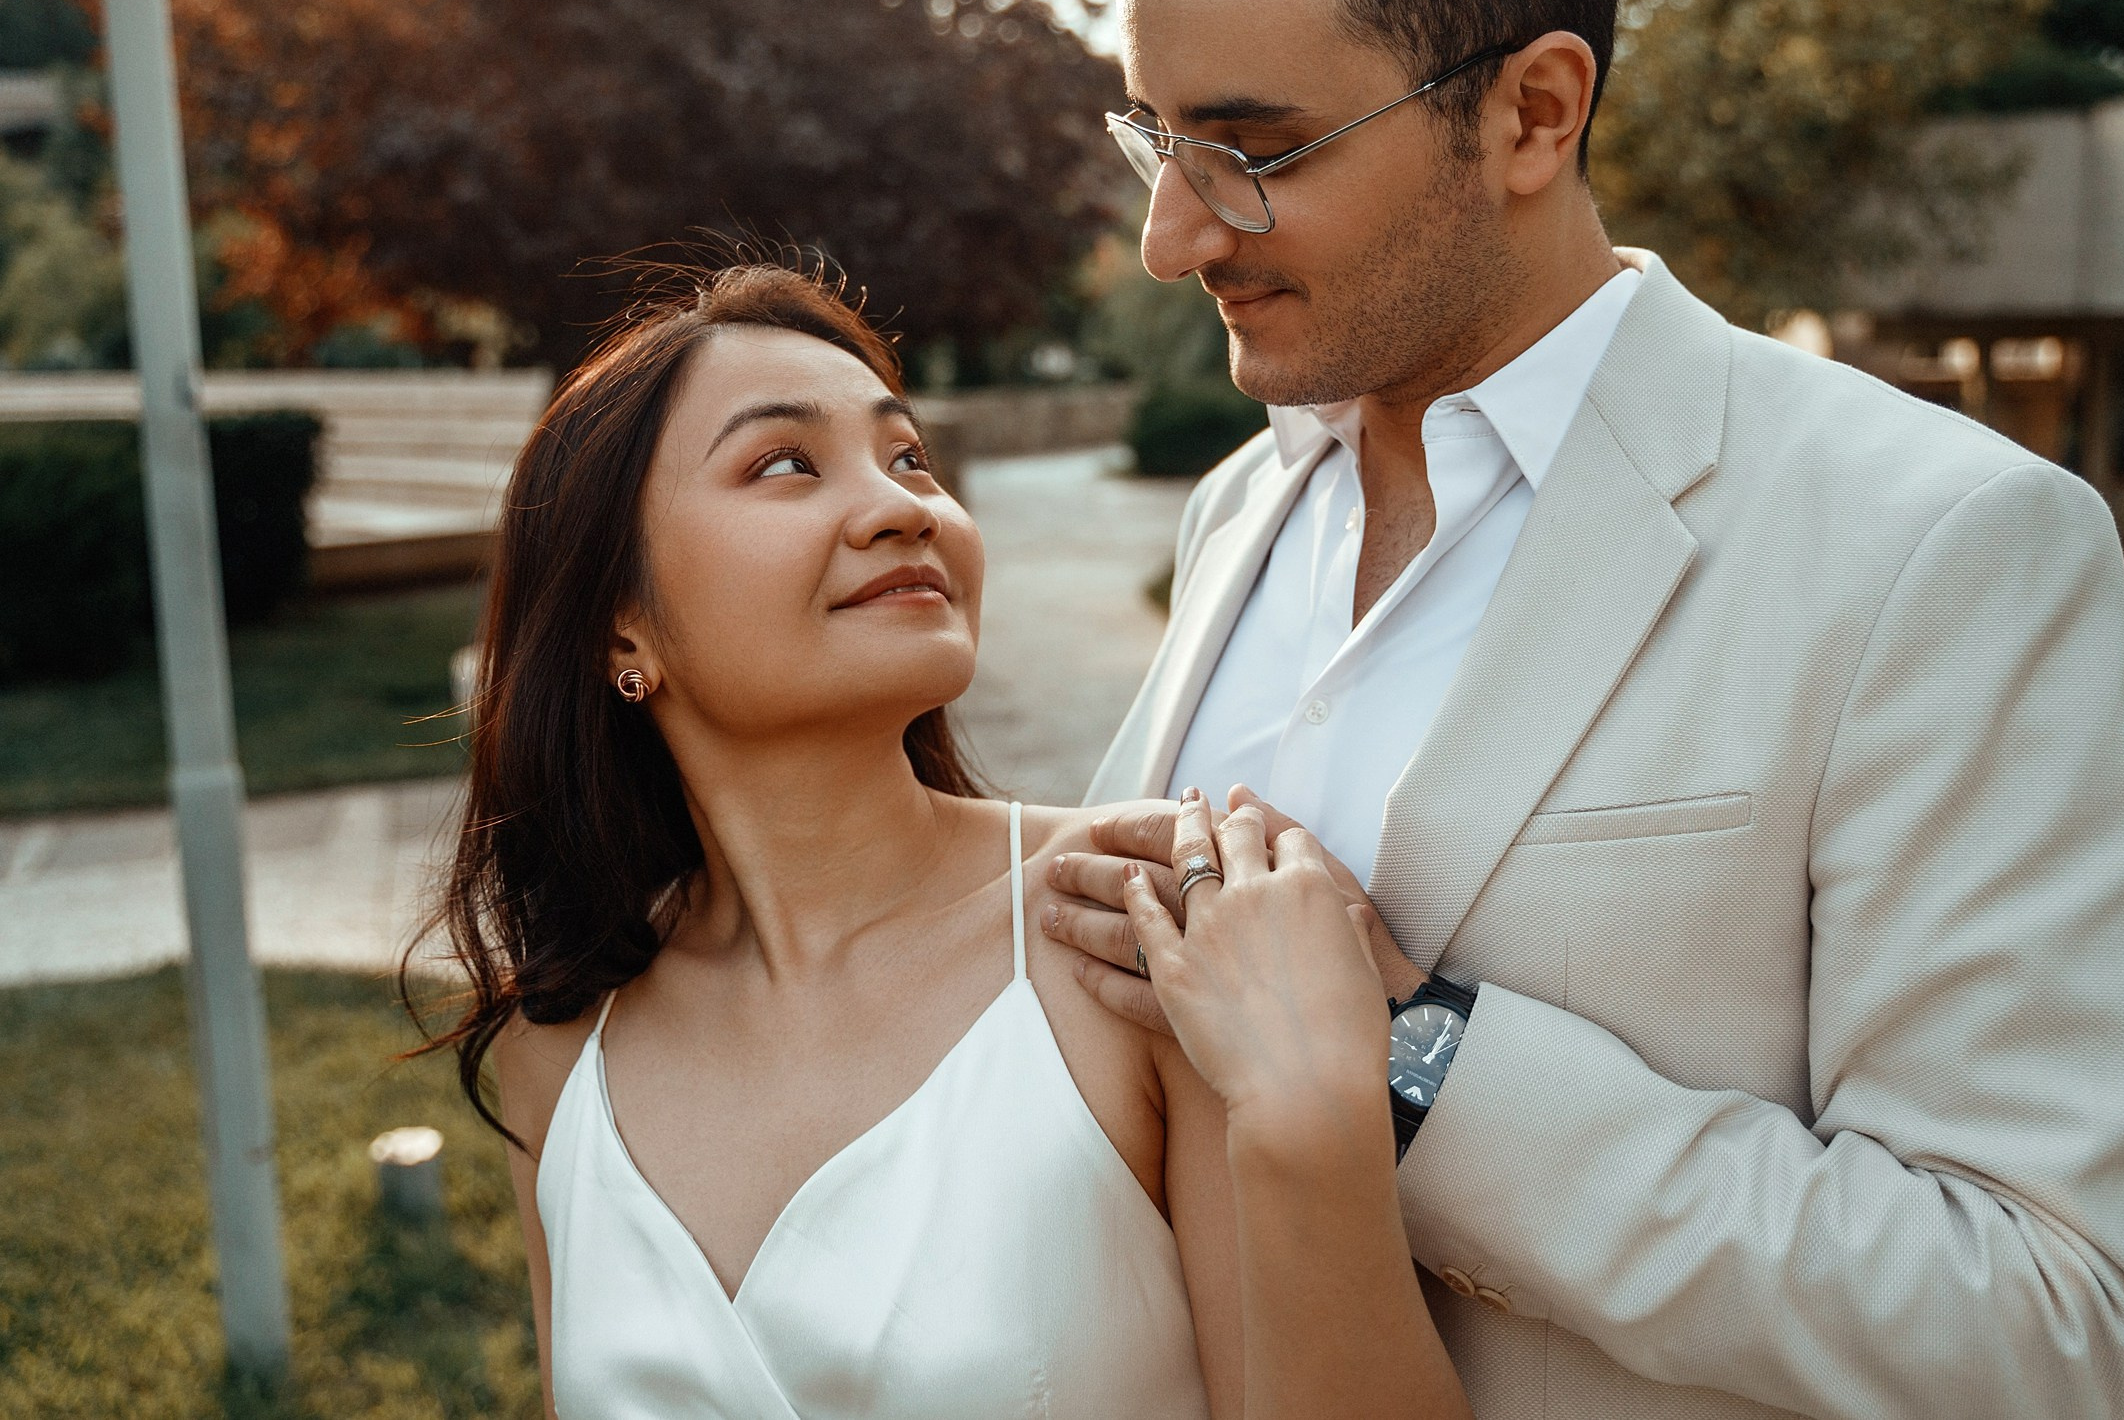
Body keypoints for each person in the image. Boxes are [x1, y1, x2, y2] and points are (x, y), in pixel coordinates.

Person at [1040, 0, 2124, 1420]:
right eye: (1158, 141)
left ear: (1532, 113)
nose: (1173, 235)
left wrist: (1409, 1066)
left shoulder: (1938, 545)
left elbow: (2034, 1318)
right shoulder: (1238, 513)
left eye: (1252, 153)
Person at [412, 263, 1472, 1420]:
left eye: (909, 456)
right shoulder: (557, 1040)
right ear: (622, 622)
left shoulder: (1145, 919)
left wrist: (1311, 1129)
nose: (902, 505)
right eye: (783, 463)